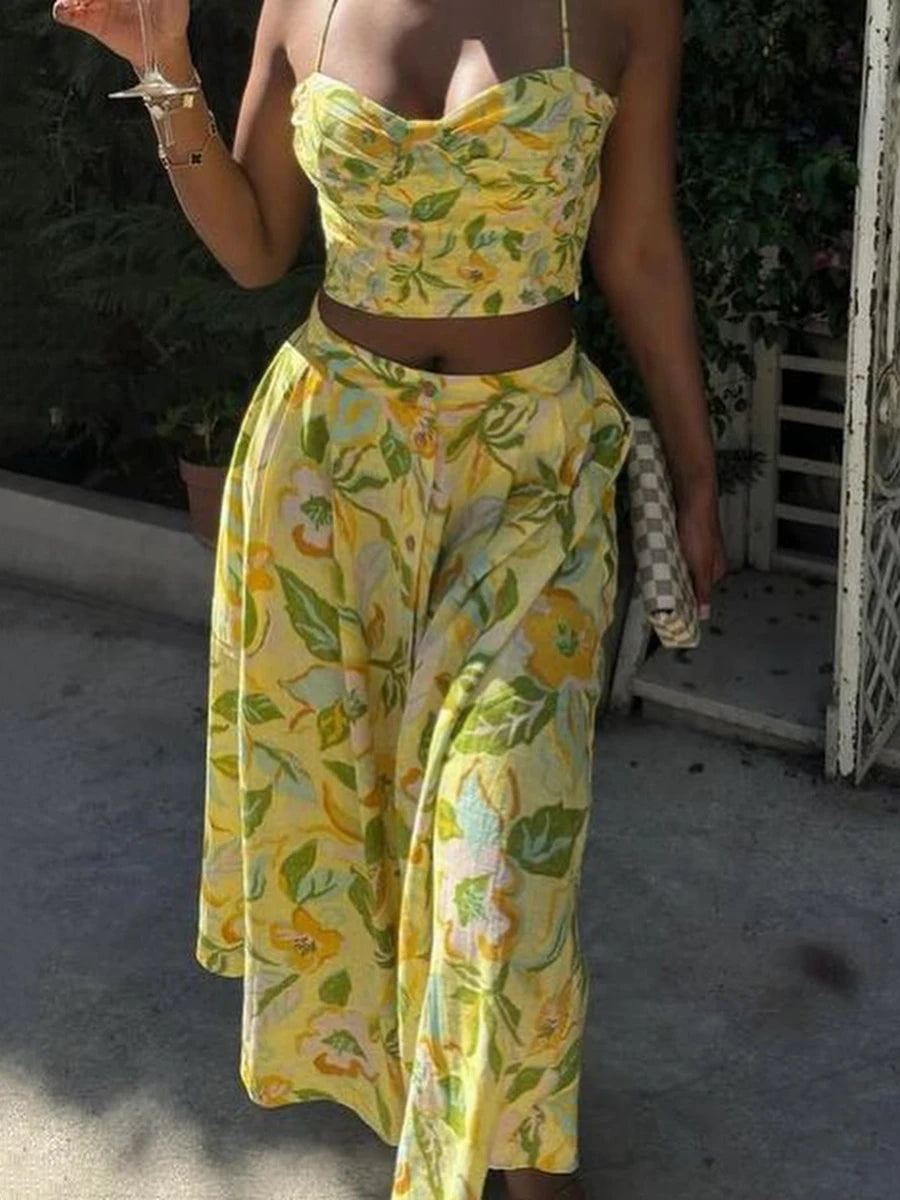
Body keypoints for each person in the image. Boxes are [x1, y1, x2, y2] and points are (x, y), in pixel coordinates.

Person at [51, 0, 727, 1196]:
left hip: (534, 476)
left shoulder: (624, 7)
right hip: (328, 483)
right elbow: (259, 247)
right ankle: (475, 1128)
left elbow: (637, 250)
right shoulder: (299, 3)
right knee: (357, 850)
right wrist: (166, 75)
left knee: (501, 843)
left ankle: (516, 1174)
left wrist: (695, 468)